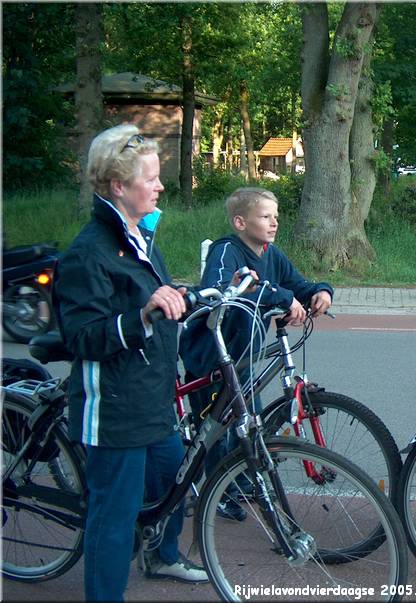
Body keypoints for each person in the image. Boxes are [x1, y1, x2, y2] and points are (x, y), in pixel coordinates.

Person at [54, 124, 208, 601]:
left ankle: (161, 555)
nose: (161, 186)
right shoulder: (89, 252)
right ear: (119, 186)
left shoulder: (139, 237)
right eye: (152, 178)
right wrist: (141, 315)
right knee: (113, 518)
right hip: (116, 410)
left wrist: (184, 296)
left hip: (152, 401)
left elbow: (152, 295)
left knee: (174, 478)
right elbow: (82, 337)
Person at [180, 187, 333, 521]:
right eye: (265, 216)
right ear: (240, 222)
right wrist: (280, 297)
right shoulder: (227, 251)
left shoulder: (271, 253)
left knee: (249, 420)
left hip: (243, 358)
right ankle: (216, 491)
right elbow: (225, 287)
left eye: (276, 216)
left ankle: (243, 479)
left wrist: (321, 291)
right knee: (217, 427)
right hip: (212, 356)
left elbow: (298, 285)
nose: (274, 222)